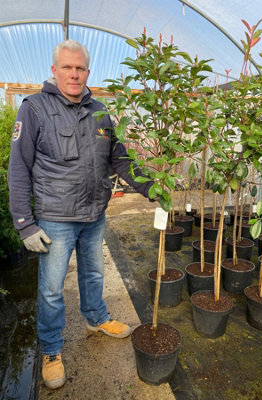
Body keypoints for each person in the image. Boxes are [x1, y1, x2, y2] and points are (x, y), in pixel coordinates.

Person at [8, 39, 154, 390]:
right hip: (55, 217)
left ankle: (96, 318)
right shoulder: (34, 108)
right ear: (54, 70)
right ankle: (53, 350)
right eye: (68, 67)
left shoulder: (101, 109)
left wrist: (152, 188)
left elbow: (117, 157)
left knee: (93, 274)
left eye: (81, 68)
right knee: (52, 289)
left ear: (88, 72)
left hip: (94, 213)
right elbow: (18, 168)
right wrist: (25, 223)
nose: (74, 74)